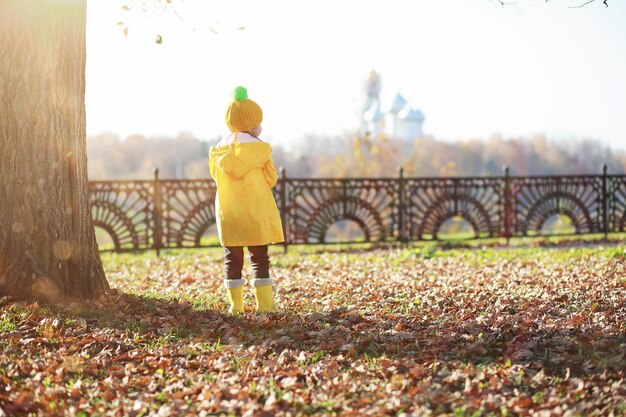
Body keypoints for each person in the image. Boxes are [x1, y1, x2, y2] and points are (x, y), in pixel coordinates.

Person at [209, 86, 284, 313]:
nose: (261, 126)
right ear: (251, 125)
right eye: (259, 122)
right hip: (255, 211)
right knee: (259, 257)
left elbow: (215, 176)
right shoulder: (261, 149)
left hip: (228, 212)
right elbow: (271, 178)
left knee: (232, 259)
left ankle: (236, 306)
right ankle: (265, 305)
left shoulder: (218, 150)